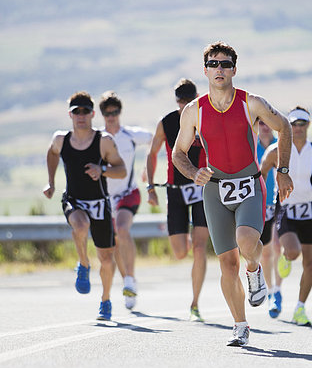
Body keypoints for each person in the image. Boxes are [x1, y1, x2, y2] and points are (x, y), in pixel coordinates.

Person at [172, 41, 293, 347]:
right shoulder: (194, 110)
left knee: (246, 242)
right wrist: (192, 172)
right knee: (227, 263)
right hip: (215, 189)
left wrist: (282, 171)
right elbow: (178, 153)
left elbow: (285, 127)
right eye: (213, 64)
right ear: (205, 70)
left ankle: (254, 269)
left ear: (234, 69)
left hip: (249, 183)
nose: (219, 70)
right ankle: (240, 325)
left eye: (225, 64)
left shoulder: (250, 103)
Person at [43, 91, 126, 321]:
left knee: (107, 259)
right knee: (80, 225)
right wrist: (50, 182)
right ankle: (83, 263)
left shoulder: (104, 141)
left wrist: (103, 170)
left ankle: (105, 300)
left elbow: (122, 170)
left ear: (92, 114)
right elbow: (51, 153)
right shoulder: (61, 139)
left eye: (85, 111)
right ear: (70, 114)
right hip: (74, 200)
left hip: (100, 203)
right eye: (75, 111)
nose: (80, 116)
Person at [261, 106, 312, 326]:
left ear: (308, 126)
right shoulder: (275, 151)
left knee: (310, 263)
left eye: (302, 124)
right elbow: (261, 174)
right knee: (292, 251)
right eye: (293, 124)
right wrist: (259, 199)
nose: (298, 128)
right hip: (284, 208)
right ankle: (286, 258)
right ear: (288, 126)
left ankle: (300, 308)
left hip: (308, 209)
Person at [145, 79, 210, 322]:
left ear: (196, 97)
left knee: (200, 247)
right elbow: (151, 153)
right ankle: (190, 236)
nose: (184, 105)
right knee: (180, 252)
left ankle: (195, 303)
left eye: (188, 100)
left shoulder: (205, 117)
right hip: (175, 190)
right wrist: (150, 186)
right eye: (180, 101)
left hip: (201, 188)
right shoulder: (167, 122)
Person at [100, 91, 152, 310]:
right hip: (106, 199)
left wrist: (146, 168)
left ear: (120, 112)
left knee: (123, 229)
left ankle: (130, 278)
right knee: (114, 245)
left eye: (115, 112)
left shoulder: (131, 135)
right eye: (107, 113)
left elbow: (155, 139)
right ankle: (127, 284)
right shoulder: (99, 138)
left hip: (129, 193)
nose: (111, 116)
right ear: (101, 114)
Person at [257, 121, 283, 318]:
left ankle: (278, 290)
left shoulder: (281, 145)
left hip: (280, 201)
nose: (265, 126)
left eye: (268, 123)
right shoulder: (251, 145)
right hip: (260, 203)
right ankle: (271, 289)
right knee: (266, 254)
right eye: (261, 123)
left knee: (277, 247)